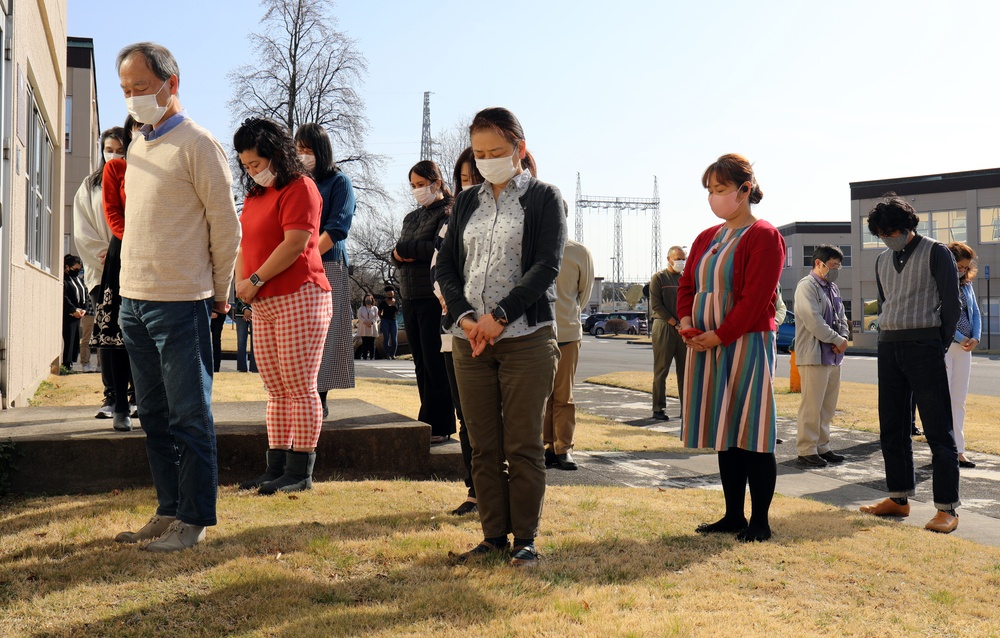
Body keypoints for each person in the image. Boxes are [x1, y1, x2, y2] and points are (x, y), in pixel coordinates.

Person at [114, 42, 241, 552]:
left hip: (182, 300)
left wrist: (220, 292)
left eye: (141, 88)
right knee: (153, 416)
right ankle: (168, 510)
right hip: (133, 300)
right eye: (125, 91)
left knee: (190, 414)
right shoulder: (138, 144)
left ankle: (195, 519)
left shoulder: (198, 143)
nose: (133, 99)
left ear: (172, 83)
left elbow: (225, 227)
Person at [436, 107, 566, 567]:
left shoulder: (545, 198)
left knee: (523, 444)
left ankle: (524, 539)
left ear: (520, 150)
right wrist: (468, 317)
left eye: (496, 152)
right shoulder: (467, 201)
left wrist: (501, 315)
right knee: (482, 443)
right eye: (479, 153)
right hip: (470, 339)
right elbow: (446, 265)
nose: (487, 160)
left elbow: (546, 265)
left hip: (525, 337)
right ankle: (492, 535)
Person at [678, 153, 785, 543]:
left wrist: (721, 334)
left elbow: (756, 299)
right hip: (706, 341)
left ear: (744, 190)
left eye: (720, 189)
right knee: (726, 429)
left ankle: (760, 521)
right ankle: (732, 515)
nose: (714, 197)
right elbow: (687, 285)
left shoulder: (765, 236)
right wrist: (688, 324)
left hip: (747, 342)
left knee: (752, 428)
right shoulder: (706, 237)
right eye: (710, 190)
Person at [234, 117, 332, 495]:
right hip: (264, 301)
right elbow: (245, 244)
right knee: (275, 388)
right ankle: (275, 467)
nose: (252, 171)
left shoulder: (301, 187)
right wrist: (244, 284)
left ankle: (300, 470)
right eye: (245, 166)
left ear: (276, 155)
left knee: (299, 385)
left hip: (300, 294)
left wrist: (255, 280)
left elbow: (294, 243)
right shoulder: (257, 196)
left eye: (256, 164)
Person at [859, 194, 961, 534]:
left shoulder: (936, 252)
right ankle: (898, 498)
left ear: (907, 227)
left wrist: (937, 342)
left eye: (892, 231)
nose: (887, 237)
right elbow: (884, 304)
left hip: (924, 345)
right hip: (889, 346)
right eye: (881, 233)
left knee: (937, 428)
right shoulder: (881, 261)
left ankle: (946, 508)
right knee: (892, 426)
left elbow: (951, 303)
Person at [294, 123, 356, 418]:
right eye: (298, 149)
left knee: (327, 332)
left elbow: (338, 226)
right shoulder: (295, 183)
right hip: (295, 265)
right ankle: (301, 392)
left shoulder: (338, 182)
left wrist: (307, 255)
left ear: (321, 150)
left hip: (326, 262)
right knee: (299, 333)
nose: (302, 155)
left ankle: (320, 396)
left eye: (308, 150)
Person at [393, 160, 456, 445]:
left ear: (437, 182)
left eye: (422, 184)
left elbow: (437, 248)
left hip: (433, 297)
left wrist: (405, 251)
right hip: (409, 294)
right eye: (414, 186)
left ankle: (441, 423)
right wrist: (400, 253)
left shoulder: (448, 212)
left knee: (435, 363)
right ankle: (427, 417)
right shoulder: (411, 217)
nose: (418, 190)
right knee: (420, 363)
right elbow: (395, 253)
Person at [436, 147, 482, 515]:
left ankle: (503, 493)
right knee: (466, 417)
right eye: (463, 180)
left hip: (501, 331)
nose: (469, 186)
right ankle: (475, 490)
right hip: (455, 332)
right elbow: (440, 270)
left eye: (476, 178)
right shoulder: (450, 222)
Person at [93, 121, 141, 430]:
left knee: (145, 336)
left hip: (156, 256)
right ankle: (119, 404)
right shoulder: (116, 170)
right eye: (135, 128)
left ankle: (144, 401)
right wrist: (132, 242)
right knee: (115, 331)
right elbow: (112, 212)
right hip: (124, 253)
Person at [73, 128, 121, 402]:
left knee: (132, 336)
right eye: (109, 149)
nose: (113, 154)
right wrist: (107, 253)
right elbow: (82, 230)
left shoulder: (135, 181)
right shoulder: (90, 186)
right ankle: (111, 394)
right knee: (107, 334)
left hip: (132, 271)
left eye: (119, 149)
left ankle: (135, 393)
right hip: (101, 272)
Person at [793, 245, 850, 468]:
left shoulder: (832, 287)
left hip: (833, 356)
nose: (836, 269)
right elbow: (813, 320)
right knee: (812, 405)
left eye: (838, 265)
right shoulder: (806, 287)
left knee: (827, 405)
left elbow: (842, 316)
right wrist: (837, 340)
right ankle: (806, 449)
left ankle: (822, 446)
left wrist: (842, 337)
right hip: (814, 354)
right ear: (819, 263)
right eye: (833, 265)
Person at [544, 230, 594, 471]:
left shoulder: (578, 252)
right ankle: (545, 446)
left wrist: (567, 313)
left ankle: (563, 448)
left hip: (567, 334)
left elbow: (584, 294)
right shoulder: (531, 245)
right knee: (540, 396)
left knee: (563, 395)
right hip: (536, 333)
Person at [946, 242, 980, 469]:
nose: (962, 271)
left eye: (966, 268)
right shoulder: (939, 283)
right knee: (942, 401)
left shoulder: (966, 285)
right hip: (945, 347)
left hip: (965, 349)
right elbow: (939, 315)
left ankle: (959, 451)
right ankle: (942, 450)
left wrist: (975, 337)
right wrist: (960, 337)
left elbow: (975, 312)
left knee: (959, 400)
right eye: (959, 266)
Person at [649, 246, 687, 421]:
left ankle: (686, 408)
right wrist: (674, 323)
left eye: (683, 258)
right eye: (678, 258)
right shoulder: (659, 278)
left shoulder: (686, 278)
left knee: (685, 371)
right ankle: (658, 408)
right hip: (664, 326)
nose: (681, 261)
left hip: (683, 329)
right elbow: (657, 305)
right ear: (669, 259)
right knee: (661, 370)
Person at [62, 255, 87, 372]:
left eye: (79, 269)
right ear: (68, 267)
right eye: (75, 269)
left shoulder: (79, 280)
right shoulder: (65, 279)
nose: (77, 272)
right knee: (68, 338)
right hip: (69, 313)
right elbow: (64, 296)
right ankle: (66, 363)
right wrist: (73, 310)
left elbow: (84, 293)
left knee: (75, 339)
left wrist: (84, 309)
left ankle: (71, 361)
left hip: (79, 313)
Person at [377, 287, 400, 359]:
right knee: (386, 337)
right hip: (385, 320)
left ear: (393, 294)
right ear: (386, 294)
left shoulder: (396, 301)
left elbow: (397, 310)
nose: (390, 295)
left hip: (393, 321)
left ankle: (393, 354)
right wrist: (382, 318)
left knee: (394, 338)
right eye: (389, 294)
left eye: (391, 294)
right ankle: (387, 354)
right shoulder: (383, 302)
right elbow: (379, 312)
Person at [356, 294, 379, 359]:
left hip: (372, 327)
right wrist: (365, 322)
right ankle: (365, 357)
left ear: (372, 300)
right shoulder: (361, 308)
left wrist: (371, 322)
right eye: (366, 299)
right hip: (364, 328)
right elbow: (359, 316)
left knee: (372, 343)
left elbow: (376, 317)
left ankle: (372, 357)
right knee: (365, 343)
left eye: (369, 299)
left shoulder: (375, 308)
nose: (368, 300)